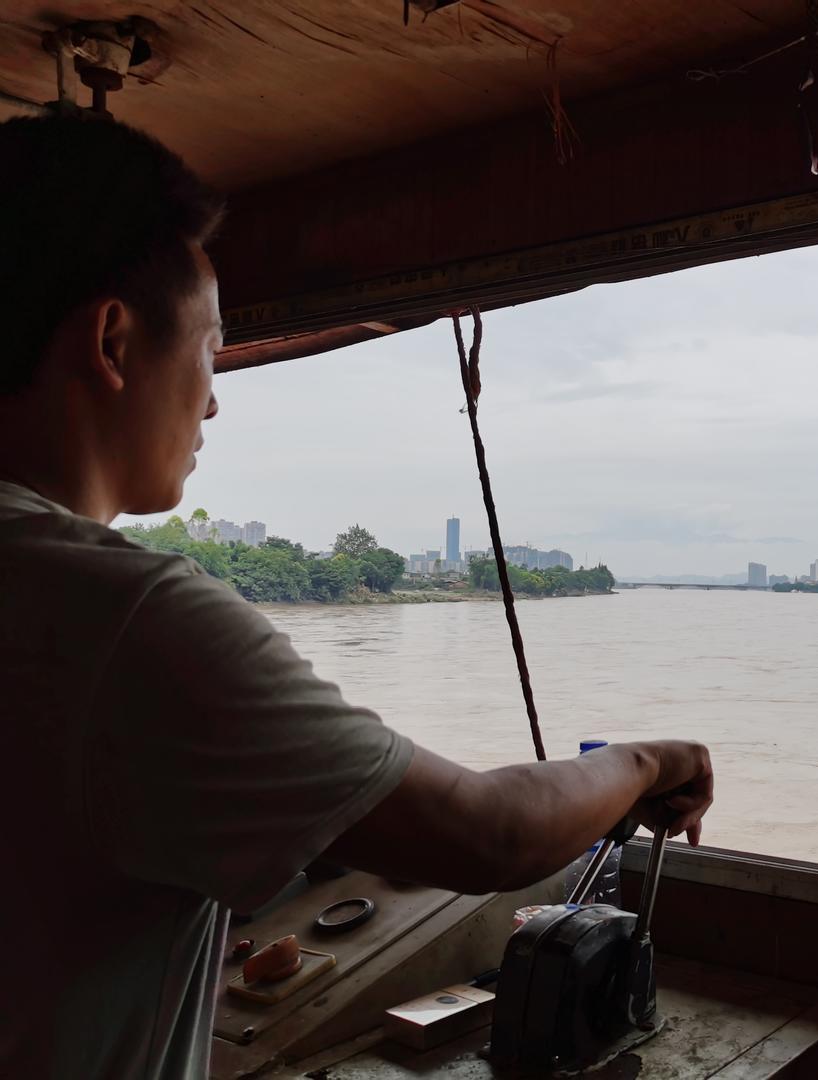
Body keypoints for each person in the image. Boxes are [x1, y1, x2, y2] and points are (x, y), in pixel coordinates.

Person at [0, 112, 717, 1079]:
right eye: (212, 349)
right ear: (115, 342)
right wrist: (644, 760)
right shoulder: (125, 622)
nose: (213, 398)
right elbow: (486, 832)